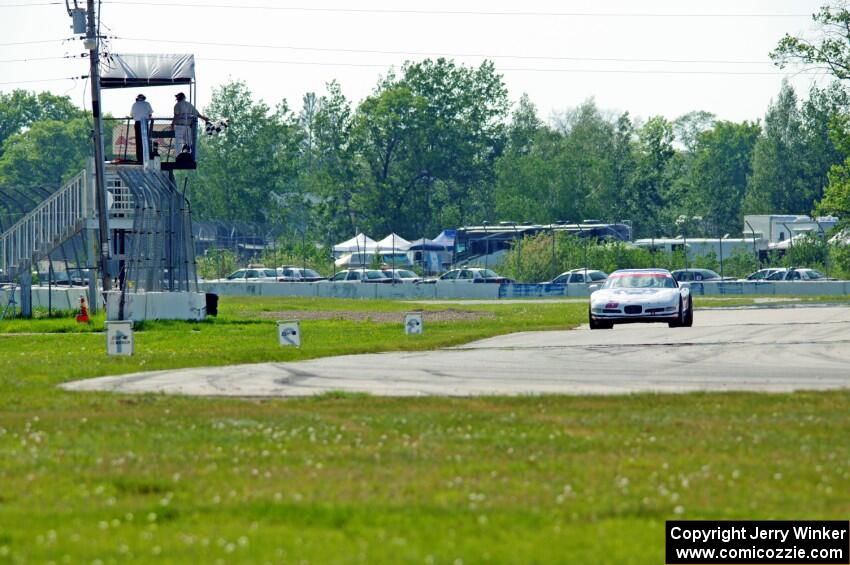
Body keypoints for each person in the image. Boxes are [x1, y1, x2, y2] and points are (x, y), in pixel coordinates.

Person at [172, 92, 208, 156]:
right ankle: (188, 155)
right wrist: (204, 118)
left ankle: (178, 156)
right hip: (188, 126)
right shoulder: (189, 105)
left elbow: (176, 116)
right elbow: (196, 113)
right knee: (188, 142)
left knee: (178, 142)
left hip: (179, 126)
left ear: (178, 98)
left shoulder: (177, 105)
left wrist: (172, 124)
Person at [130, 94, 153, 163]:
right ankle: (146, 158)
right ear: (144, 98)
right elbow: (150, 114)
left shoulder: (134, 104)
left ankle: (139, 158)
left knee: (138, 141)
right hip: (145, 123)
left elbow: (132, 114)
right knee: (146, 140)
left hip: (137, 123)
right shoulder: (147, 104)